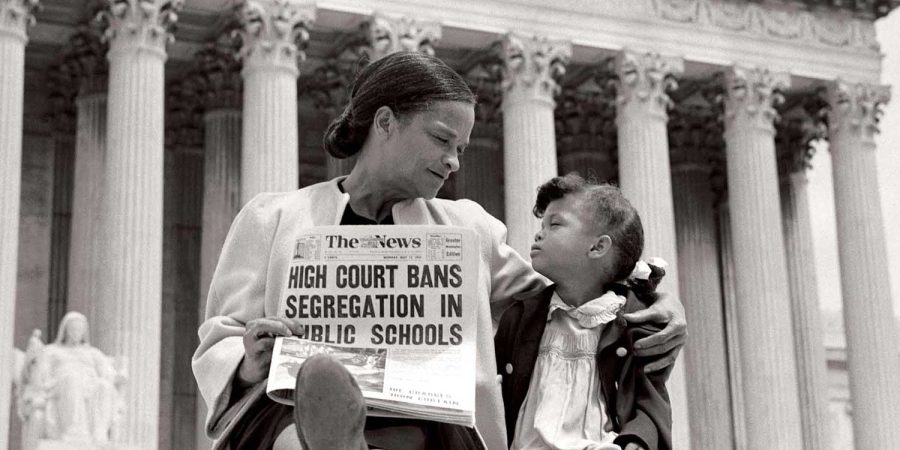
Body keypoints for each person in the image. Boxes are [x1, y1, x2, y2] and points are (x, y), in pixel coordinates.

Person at [192, 51, 686, 450]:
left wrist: (652, 298)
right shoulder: (272, 218)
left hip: (435, 425)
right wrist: (251, 359)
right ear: (384, 121)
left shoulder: (468, 227)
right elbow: (221, 338)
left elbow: (570, 292)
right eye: (441, 139)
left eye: (462, 149)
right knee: (294, 430)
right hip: (296, 411)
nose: (452, 162)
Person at [495, 174, 672, 450]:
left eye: (555, 224)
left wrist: (637, 442)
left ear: (597, 247)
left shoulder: (631, 322)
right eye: (541, 224)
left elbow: (649, 401)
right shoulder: (518, 318)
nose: (538, 233)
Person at [30, 312, 122, 443]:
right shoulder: (52, 350)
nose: (76, 332)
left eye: (79, 330)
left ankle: (99, 432)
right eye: (72, 329)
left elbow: (107, 373)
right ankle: (73, 431)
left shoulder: (93, 353)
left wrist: (118, 376)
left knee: (105, 386)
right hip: (60, 384)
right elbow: (41, 374)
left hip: (90, 384)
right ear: (65, 331)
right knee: (72, 378)